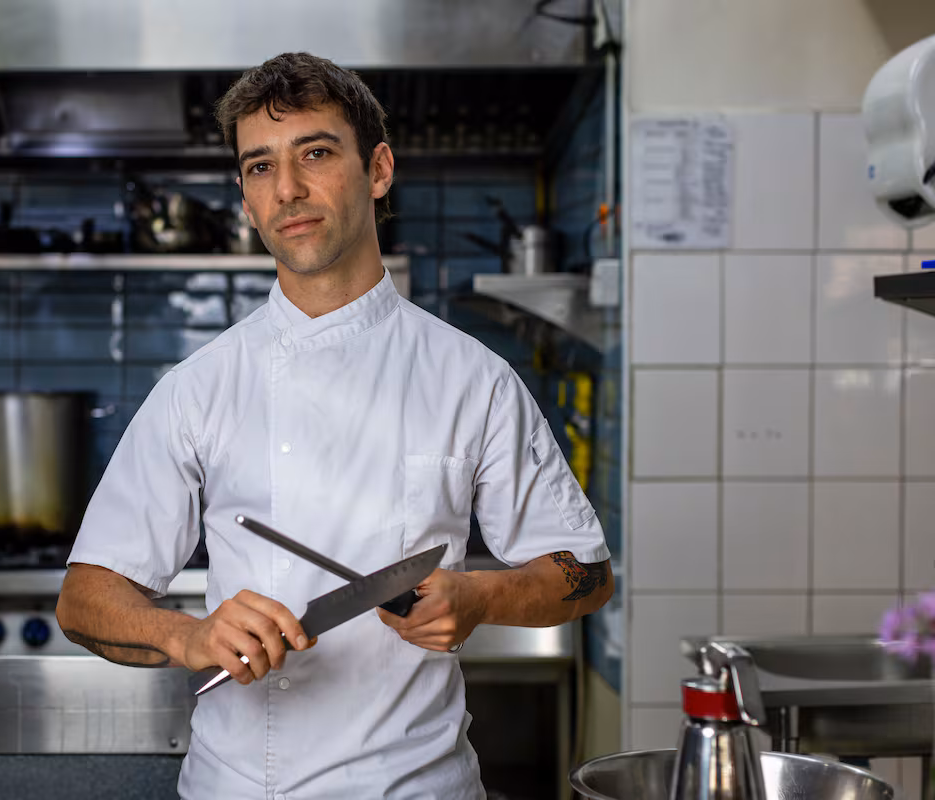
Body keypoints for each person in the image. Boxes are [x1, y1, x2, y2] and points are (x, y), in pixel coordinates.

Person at [56, 51, 613, 800]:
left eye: (315, 153)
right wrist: (186, 634)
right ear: (246, 200)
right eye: (260, 167)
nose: (287, 189)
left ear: (378, 171)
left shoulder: (471, 378)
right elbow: (85, 599)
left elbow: (586, 574)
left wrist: (483, 599)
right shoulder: (198, 389)